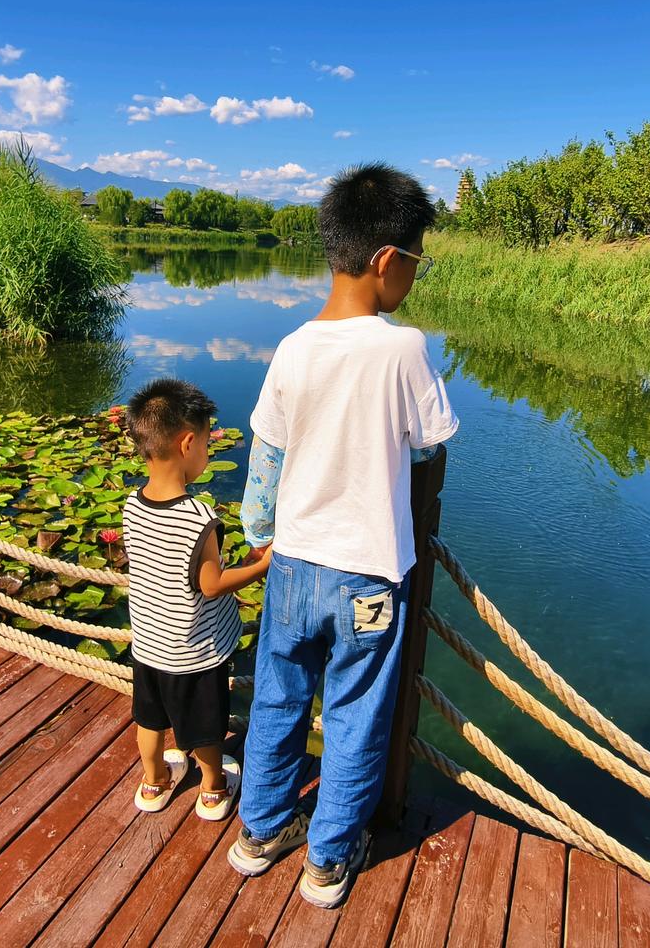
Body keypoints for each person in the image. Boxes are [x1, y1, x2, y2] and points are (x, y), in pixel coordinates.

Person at [227, 163, 459, 907]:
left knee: (277, 697)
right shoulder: (402, 347)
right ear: (388, 261)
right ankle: (327, 859)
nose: (415, 278)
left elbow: (266, 461)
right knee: (357, 711)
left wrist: (260, 532)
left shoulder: (292, 347)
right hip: (367, 576)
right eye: (417, 261)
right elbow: (431, 443)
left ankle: (259, 831)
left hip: (291, 564)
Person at [122, 378, 271, 820]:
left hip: (149, 648)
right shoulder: (199, 519)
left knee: (149, 722)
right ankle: (212, 788)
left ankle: (153, 783)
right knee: (206, 729)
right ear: (188, 443)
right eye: (207, 443)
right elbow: (211, 585)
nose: (208, 451)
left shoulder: (132, 504)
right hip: (195, 654)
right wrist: (261, 565)